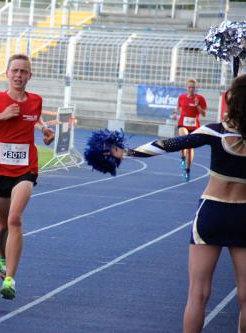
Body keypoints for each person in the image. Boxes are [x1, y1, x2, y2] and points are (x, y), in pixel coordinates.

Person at [102, 74, 246, 333]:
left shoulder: (214, 132)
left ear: (229, 100)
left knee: (198, 293)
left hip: (212, 214)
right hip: (244, 217)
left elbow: (167, 144)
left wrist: (126, 152)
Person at [0, 54, 55, 300]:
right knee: (1, 225)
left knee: (15, 219)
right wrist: (0, 117)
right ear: (7, 73)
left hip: (26, 169)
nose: (18, 75)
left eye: (23, 71)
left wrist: (46, 131)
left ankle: (10, 279)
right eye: (15, 70)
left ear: (29, 76)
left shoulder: (36, 101)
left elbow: (34, 119)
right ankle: (0, 252)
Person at [172, 78, 207, 182]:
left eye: (193, 87)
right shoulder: (182, 97)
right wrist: (175, 113)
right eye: (189, 87)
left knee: (190, 148)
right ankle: (182, 157)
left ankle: (187, 169)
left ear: (196, 88)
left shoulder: (200, 98)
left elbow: (204, 114)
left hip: (194, 126)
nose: (191, 89)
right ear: (186, 87)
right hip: (182, 124)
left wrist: (197, 106)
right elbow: (178, 107)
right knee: (184, 139)